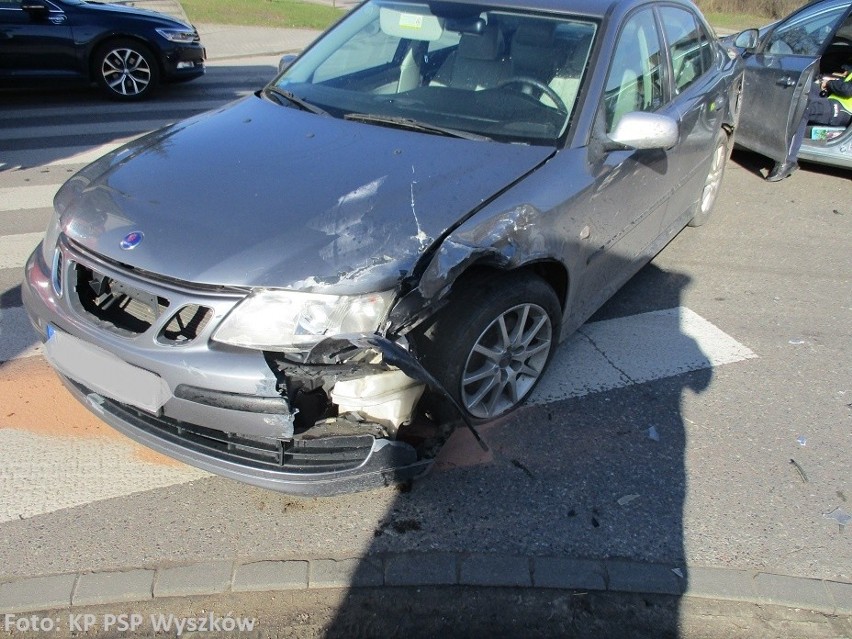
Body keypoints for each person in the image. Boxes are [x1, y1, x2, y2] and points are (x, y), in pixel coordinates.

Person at [766, 65, 852, 181]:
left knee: (803, 110)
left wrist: (830, 83)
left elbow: (848, 90)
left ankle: (788, 160)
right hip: (834, 99)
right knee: (807, 89)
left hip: (845, 110)